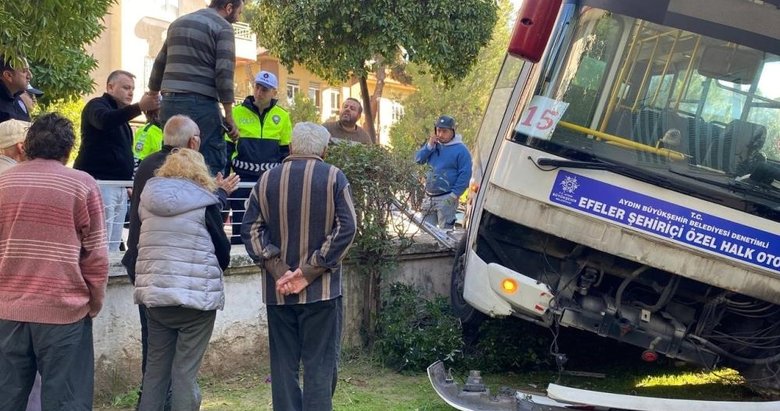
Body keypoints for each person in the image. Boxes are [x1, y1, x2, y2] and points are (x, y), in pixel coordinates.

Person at [121, 114, 238, 409]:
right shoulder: (204, 200)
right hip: (195, 302)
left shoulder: (148, 196)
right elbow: (222, 252)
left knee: (156, 373)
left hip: (155, 297)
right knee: (184, 374)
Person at [242, 122, 357, 411]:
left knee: (282, 367)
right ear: (325, 149)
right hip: (322, 293)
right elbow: (348, 228)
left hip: (278, 291)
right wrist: (309, 272)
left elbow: (250, 230)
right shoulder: (334, 177)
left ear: (292, 147)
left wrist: (280, 271)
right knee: (320, 366)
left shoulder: (267, 179)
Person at [0, 113, 108, 411]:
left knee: (6, 399)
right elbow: (96, 256)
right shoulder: (82, 184)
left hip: (7, 311)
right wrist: (94, 301)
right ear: (68, 150)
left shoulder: (2, 182)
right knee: (67, 402)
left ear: (27, 146)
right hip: (65, 311)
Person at [147, 0, 244, 176]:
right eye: (239, 12)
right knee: (207, 163)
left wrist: (153, 97)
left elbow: (160, 62)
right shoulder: (223, 27)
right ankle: (207, 203)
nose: (238, 18)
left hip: (169, 103)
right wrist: (229, 115)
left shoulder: (178, 23)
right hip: (201, 104)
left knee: (172, 160)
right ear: (229, 7)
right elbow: (224, 72)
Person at [74, 70, 160, 251]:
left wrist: (127, 182)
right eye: (126, 87)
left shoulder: (122, 119)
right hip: (100, 184)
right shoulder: (97, 106)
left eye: (133, 89)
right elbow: (104, 121)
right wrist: (139, 107)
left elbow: (123, 152)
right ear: (110, 87)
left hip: (118, 186)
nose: (130, 92)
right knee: (99, 242)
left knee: (112, 244)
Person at [227, 70, 292, 244]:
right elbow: (227, 149)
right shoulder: (236, 113)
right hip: (242, 179)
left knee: (269, 222)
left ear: (274, 92)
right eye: (257, 87)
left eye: (265, 89)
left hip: (270, 179)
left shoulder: (283, 116)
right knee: (241, 223)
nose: (259, 92)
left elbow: (286, 152)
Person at [414, 115, 472, 229]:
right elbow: (418, 160)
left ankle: (444, 247)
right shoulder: (433, 146)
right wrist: (429, 146)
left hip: (447, 196)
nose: (440, 135)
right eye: (438, 131)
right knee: (425, 231)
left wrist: (454, 195)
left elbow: (465, 175)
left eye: (444, 131)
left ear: (452, 131)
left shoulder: (461, 150)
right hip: (429, 195)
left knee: (445, 232)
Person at [0, 55, 32, 122]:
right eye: (24, 71)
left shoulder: (17, 98)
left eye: (29, 70)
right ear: (8, 75)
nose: (30, 75)